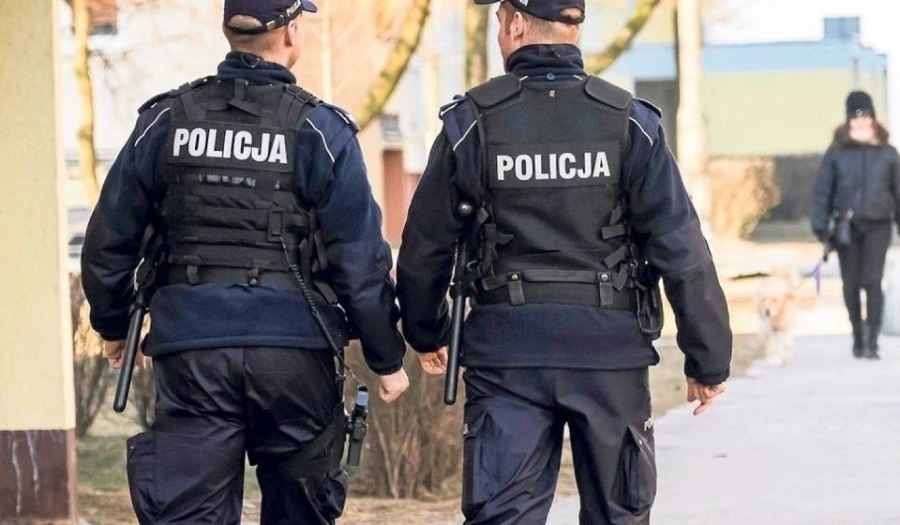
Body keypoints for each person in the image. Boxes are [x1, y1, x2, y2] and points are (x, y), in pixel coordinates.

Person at [396, 0, 732, 523]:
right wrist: (707, 358)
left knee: (502, 516)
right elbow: (681, 248)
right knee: (619, 515)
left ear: (514, 24)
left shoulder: (470, 122)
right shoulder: (630, 122)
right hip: (610, 354)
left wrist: (426, 331)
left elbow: (425, 247)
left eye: (498, 22)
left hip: (507, 356)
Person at [81, 1, 410, 522]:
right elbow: (360, 261)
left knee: (190, 512)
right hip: (294, 356)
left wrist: (114, 325)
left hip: (193, 353)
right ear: (292, 33)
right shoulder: (320, 131)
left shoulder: (165, 121)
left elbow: (109, 240)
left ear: (227, 31)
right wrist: (386, 358)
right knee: (302, 509)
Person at [811, 90, 900, 360]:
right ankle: (857, 335)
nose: (860, 122)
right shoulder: (837, 153)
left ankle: (872, 340)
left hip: (878, 224)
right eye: (855, 117)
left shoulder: (888, 153)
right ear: (848, 119)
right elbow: (823, 190)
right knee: (851, 284)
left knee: (872, 281)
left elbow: (898, 191)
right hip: (846, 227)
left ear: (873, 118)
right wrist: (821, 225)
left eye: (865, 116)